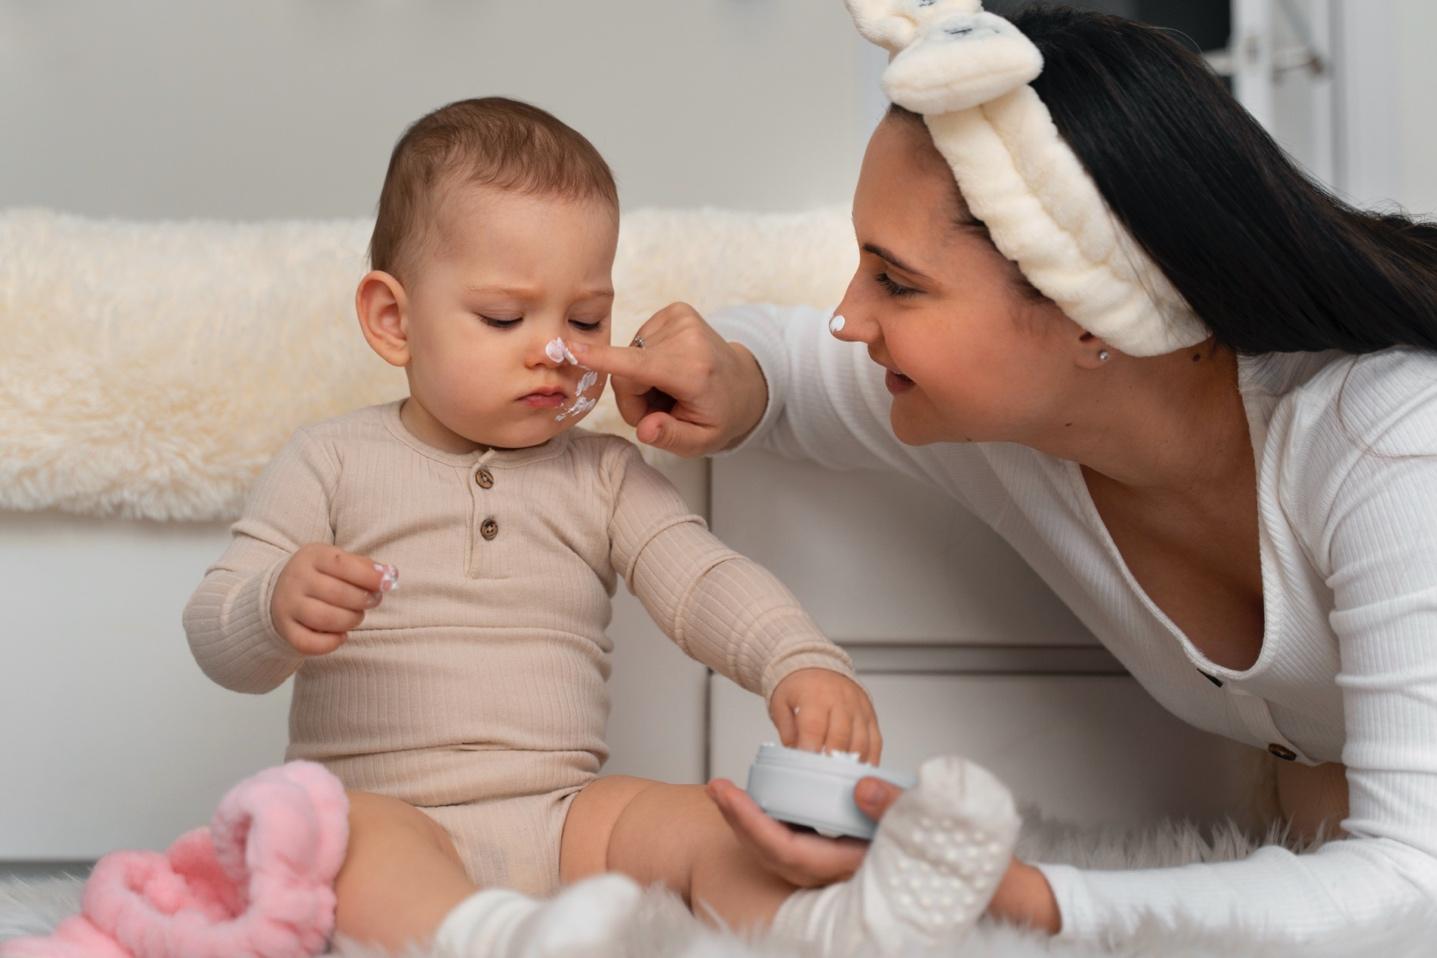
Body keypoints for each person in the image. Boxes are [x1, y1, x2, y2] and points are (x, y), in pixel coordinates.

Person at [570, 0, 1437, 943]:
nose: (847, 317)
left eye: (894, 282)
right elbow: (778, 366)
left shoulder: (1391, 441)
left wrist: (1018, 896)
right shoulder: (1004, 421)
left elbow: (1415, 880)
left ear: (1090, 312)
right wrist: (728, 376)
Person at [181, 95, 1021, 958]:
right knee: (336, 843)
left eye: (585, 319)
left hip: (562, 817)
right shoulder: (332, 460)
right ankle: (490, 938)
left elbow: (701, 579)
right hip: (391, 810)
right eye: (506, 319)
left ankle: (824, 924)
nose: (555, 351)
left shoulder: (602, 474)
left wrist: (797, 661)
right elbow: (216, 639)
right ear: (393, 320)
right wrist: (272, 608)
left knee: (703, 819)